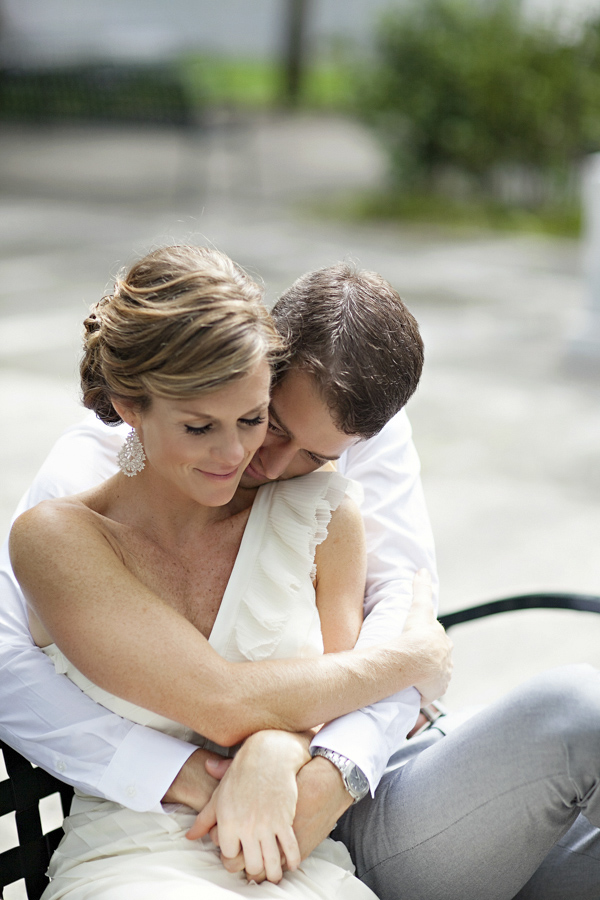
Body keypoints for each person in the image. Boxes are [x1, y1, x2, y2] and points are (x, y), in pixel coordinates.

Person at [8, 244, 449, 899]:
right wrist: (414, 656)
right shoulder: (58, 532)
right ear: (131, 407)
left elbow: (337, 698)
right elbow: (221, 703)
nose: (242, 455)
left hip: (296, 851)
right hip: (140, 858)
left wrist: (282, 747)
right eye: (201, 427)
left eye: (250, 420)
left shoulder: (324, 509)